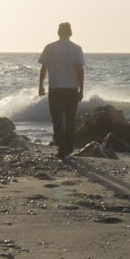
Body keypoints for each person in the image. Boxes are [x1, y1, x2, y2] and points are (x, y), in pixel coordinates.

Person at [38, 22, 86, 158]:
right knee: (70, 119)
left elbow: (44, 68)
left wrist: (40, 85)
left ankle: (61, 148)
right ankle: (69, 148)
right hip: (71, 89)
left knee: (57, 119)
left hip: (55, 88)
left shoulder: (50, 47)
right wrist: (81, 89)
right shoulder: (77, 48)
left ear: (58, 32)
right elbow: (80, 70)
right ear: (70, 33)